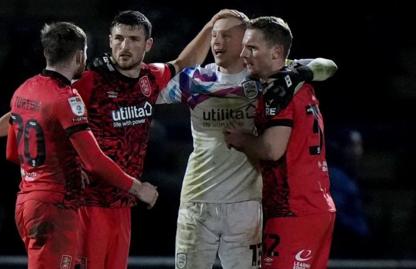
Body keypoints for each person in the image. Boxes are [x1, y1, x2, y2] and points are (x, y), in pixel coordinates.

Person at [0, 10, 234, 269]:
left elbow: (184, 65)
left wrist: (210, 27)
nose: (124, 46)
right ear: (109, 41)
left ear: (148, 44)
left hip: (122, 205)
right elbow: (36, 107)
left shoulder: (150, 78)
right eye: (118, 39)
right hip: (87, 204)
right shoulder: (90, 81)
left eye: (133, 39)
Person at [157, 12, 337, 269]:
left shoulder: (267, 78)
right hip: (197, 200)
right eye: (214, 35)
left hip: (248, 204)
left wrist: (299, 75)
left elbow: (328, 66)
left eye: (227, 35)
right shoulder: (195, 80)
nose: (218, 42)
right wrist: (207, 26)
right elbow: (153, 88)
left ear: (244, 41)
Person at [4, 21, 158, 269]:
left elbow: (13, 152)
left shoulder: (24, 90)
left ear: (46, 53)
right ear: (79, 55)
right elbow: (94, 161)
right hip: (57, 205)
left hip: (25, 202)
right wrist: (138, 188)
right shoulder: (67, 98)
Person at [224, 16, 336, 269]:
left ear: (276, 52)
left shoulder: (277, 91)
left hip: (293, 209)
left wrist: (242, 139)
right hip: (316, 205)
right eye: (243, 47)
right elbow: (328, 66)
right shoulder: (299, 82)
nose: (244, 54)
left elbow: (272, 149)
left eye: (252, 48)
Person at [326, 128, 371, 258]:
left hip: (358, 241)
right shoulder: (334, 176)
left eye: (360, 145)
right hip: (345, 242)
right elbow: (336, 214)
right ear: (342, 148)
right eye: (354, 145)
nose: (359, 151)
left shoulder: (352, 175)